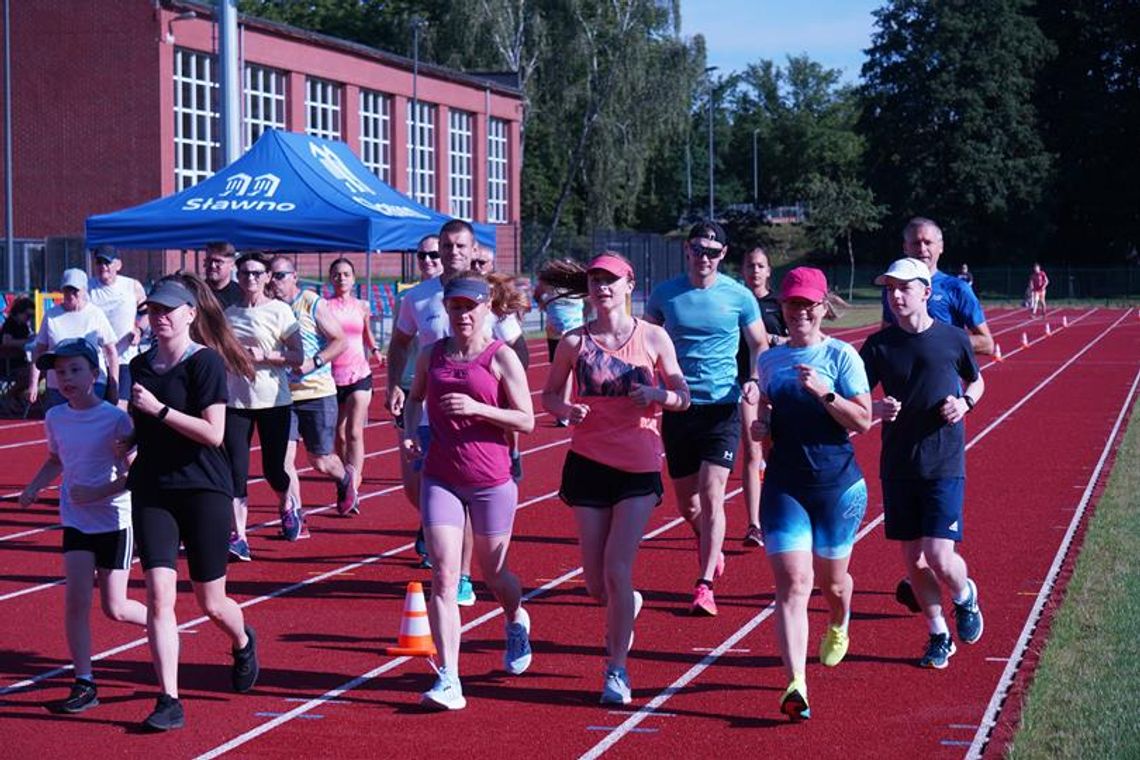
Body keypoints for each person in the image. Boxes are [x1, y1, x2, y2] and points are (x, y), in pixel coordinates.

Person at [539, 253, 689, 705]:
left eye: (611, 280)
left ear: (629, 284)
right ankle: (627, 605)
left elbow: (684, 396)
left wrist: (659, 394)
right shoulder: (573, 342)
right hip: (587, 462)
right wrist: (566, 410)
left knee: (618, 567)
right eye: (595, 280)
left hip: (638, 465)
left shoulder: (653, 338)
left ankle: (617, 670)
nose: (602, 287)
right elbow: (547, 394)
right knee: (594, 584)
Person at [124, 274, 260, 730]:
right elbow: (140, 431)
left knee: (210, 602)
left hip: (204, 487)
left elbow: (214, 433)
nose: (159, 317)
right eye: (153, 310)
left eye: (167, 309)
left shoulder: (205, 364)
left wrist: (159, 410)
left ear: (189, 314)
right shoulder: (140, 366)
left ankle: (242, 639)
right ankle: (169, 699)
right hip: (154, 489)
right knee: (160, 597)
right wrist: (119, 441)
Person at [403, 272, 535, 711]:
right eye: (455, 307)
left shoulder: (500, 358)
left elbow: (527, 420)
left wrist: (479, 408)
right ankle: (450, 679)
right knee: (443, 577)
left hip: (491, 479)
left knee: (494, 574)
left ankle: (515, 617)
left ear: (487, 308)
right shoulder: (432, 354)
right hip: (440, 475)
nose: (462, 314)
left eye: (470, 307)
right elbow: (415, 398)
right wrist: (410, 433)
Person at [750, 267, 871, 721]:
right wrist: (763, 429)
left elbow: (862, 421)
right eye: (791, 304)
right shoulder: (769, 361)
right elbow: (766, 414)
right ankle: (795, 682)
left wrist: (826, 395)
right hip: (785, 485)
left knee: (832, 584)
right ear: (782, 308)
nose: (799, 312)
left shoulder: (842, 357)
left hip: (837, 487)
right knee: (793, 585)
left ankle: (839, 621)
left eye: (807, 304)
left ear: (822, 308)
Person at [860, 258, 985, 671]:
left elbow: (977, 380)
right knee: (913, 560)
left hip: (943, 460)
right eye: (889, 289)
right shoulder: (879, 347)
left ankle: (965, 596)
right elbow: (856, 399)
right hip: (898, 462)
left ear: (926, 292)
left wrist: (964, 403)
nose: (895, 296)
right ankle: (938, 634)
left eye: (904, 288)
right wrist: (876, 407)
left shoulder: (952, 338)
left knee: (939, 555)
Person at [645, 221, 768, 616]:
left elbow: (759, 343)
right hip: (679, 407)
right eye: (698, 250)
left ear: (724, 254)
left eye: (713, 252)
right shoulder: (665, 294)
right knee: (688, 504)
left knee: (713, 492)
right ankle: (709, 547)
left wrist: (752, 378)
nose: (705, 258)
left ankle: (704, 585)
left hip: (721, 406)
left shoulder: (739, 296)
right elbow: (647, 342)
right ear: (687, 249)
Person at [19, 338, 147, 715]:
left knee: (115, 607)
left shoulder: (115, 419)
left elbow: (133, 475)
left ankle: (162, 625)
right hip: (76, 520)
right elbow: (56, 459)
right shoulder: (55, 417)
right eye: (60, 372)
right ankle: (84, 681)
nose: (67, 377)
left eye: (75, 370)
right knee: (75, 601)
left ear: (95, 374)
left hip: (113, 519)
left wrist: (97, 492)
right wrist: (32, 487)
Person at [386, 220, 498, 601]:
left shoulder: (489, 295)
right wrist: (394, 385)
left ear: (472, 250)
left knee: (460, 495)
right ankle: (446, 554)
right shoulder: (418, 298)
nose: (450, 254)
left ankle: (461, 575)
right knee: (415, 490)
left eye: (458, 247)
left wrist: (499, 396)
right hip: (426, 409)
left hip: (474, 417)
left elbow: (512, 348)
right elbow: (400, 343)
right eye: (444, 247)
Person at [224, 253, 304, 558]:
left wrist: (265, 357)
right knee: (235, 471)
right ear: (238, 276)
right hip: (236, 401)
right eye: (245, 273)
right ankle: (239, 536)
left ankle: (287, 502)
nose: (251, 278)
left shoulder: (280, 311)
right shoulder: (229, 314)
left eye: (257, 273)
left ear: (268, 277)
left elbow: (297, 357)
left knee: (274, 469)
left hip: (273, 400)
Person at [267, 256, 358, 519]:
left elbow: (340, 340)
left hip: (316, 391)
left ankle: (343, 478)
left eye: (280, 275)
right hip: (281, 395)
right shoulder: (269, 307)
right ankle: (293, 515)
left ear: (294, 276)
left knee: (319, 460)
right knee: (284, 461)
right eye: (270, 276)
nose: (274, 281)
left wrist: (314, 362)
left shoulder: (309, 302)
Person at [391, 236, 443, 544]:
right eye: (421, 255)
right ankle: (429, 517)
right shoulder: (409, 299)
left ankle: (436, 527)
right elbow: (398, 345)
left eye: (433, 254)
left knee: (439, 471)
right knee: (412, 481)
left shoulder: (461, 295)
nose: (427, 260)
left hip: (447, 392)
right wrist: (394, 384)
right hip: (413, 390)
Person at [736, 246, 789, 549]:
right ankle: (754, 524)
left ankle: (779, 513)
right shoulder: (735, 301)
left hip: (776, 386)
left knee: (774, 454)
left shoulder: (777, 304)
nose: (754, 270)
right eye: (749, 265)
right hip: (746, 384)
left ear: (769, 271)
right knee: (753, 452)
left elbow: (796, 338)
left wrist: (777, 339)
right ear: (742, 270)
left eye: (760, 266)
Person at [880, 218, 994, 356]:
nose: (922, 249)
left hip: (943, 375)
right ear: (905, 247)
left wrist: (938, 343)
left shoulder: (957, 288)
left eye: (928, 242)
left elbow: (986, 343)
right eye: (916, 243)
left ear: (941, 247)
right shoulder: (893, 290)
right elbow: (885, 337)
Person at [325, 257, 381, 512]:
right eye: (337, 274)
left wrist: (376, 349)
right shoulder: (324, 307)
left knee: (355, 432)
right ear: (331, 279)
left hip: (360, 373)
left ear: (354, 278)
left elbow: (367, 332)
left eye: (346, 274)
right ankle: (345, 482)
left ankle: (353, 489)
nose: (342, 278)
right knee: (339, 434)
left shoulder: (362, 306)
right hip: (332, 377)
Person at [469, 248, 530, 480]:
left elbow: (519, 346)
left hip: (496, 373)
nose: (476, 267)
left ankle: (513, 452)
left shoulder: (499, 309)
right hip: (468, 373)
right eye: (473, 262)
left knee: (505, 419)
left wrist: (515, 377)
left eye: (481, 262)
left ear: (491, 264)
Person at [29, 269, 119, 411]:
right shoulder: (51, 315)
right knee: (62, 427)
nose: (70, 295)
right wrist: (34, 383)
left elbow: (111, 351)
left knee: (90, 425)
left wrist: (114, 385)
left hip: (92, 384)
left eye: (74, 290)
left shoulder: (95, 314)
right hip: (58, 385)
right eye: (66, 290)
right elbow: (39, 350)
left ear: (84, 291)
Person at [88, 246, 147, 409]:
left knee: (120, 407)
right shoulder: (88, 288)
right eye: (99, 262)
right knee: (97, 408)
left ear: (118, 265)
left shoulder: (132, 286)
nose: (103, 267)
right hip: (97, 358)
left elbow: (146, 314)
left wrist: (139, 330)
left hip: (124, 357)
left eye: (107, 262)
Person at [535, 263, 586, 427]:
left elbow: (589, 299)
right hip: (555, 334)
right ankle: (563, 408)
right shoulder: (549, 286)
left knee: (572, 370)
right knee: (559, 371)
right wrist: (543, 304)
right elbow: (537, 294)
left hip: (574, 334)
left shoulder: (578, 287)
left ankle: (564, 408)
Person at [1, 296, 34, 400]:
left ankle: (15, 396)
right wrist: (26, 342)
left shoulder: (23, 326)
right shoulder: (10, 324)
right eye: (28, 315)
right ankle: (11, 396)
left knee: (38, 370)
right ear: (19, 312)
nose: (29, 319)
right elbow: (7, 341)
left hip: (20, 361)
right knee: (31, 373)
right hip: (8, 364)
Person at [203, 242, 243, 309]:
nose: (212, 265)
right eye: (209, 260)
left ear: (232, 265)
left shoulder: (241, 294)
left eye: (218, 261)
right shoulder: (196, 291)